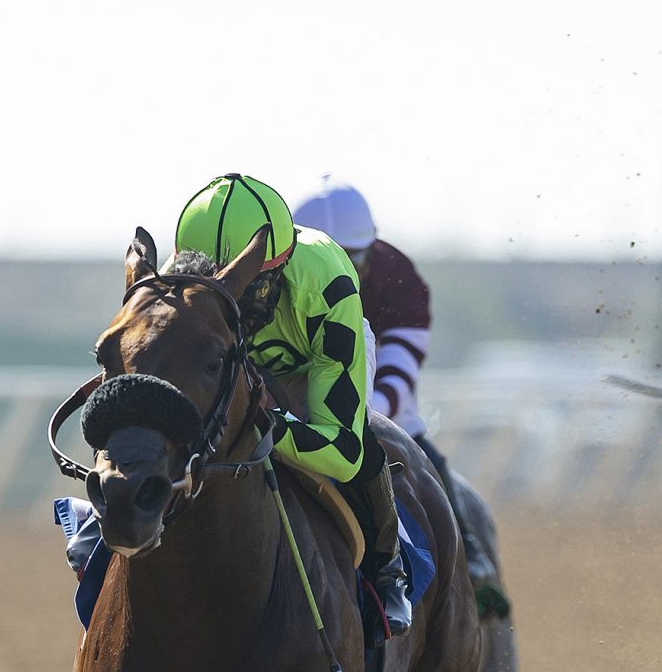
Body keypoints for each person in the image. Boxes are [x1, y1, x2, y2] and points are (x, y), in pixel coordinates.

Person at [61, 173, 412, 636]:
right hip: (224, 362)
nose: (236, 294)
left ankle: (387, 568)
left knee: (357, 451)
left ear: (276, 270)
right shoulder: (179, 283)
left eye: (250, 285)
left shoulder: (328, 287)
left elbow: (341, 451)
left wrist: (267, 423)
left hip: (311, 360)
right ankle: (103, 534)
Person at [292, 178, 508, 618]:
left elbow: (396, 375)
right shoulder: (274, 278)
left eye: (356, 257)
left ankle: (470, 560)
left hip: (381, 412)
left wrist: (351, 421)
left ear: (373, 248)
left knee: (429, 464)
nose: (343, 267)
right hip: (296, 408)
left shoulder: (400, 280)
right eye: (327, 254)